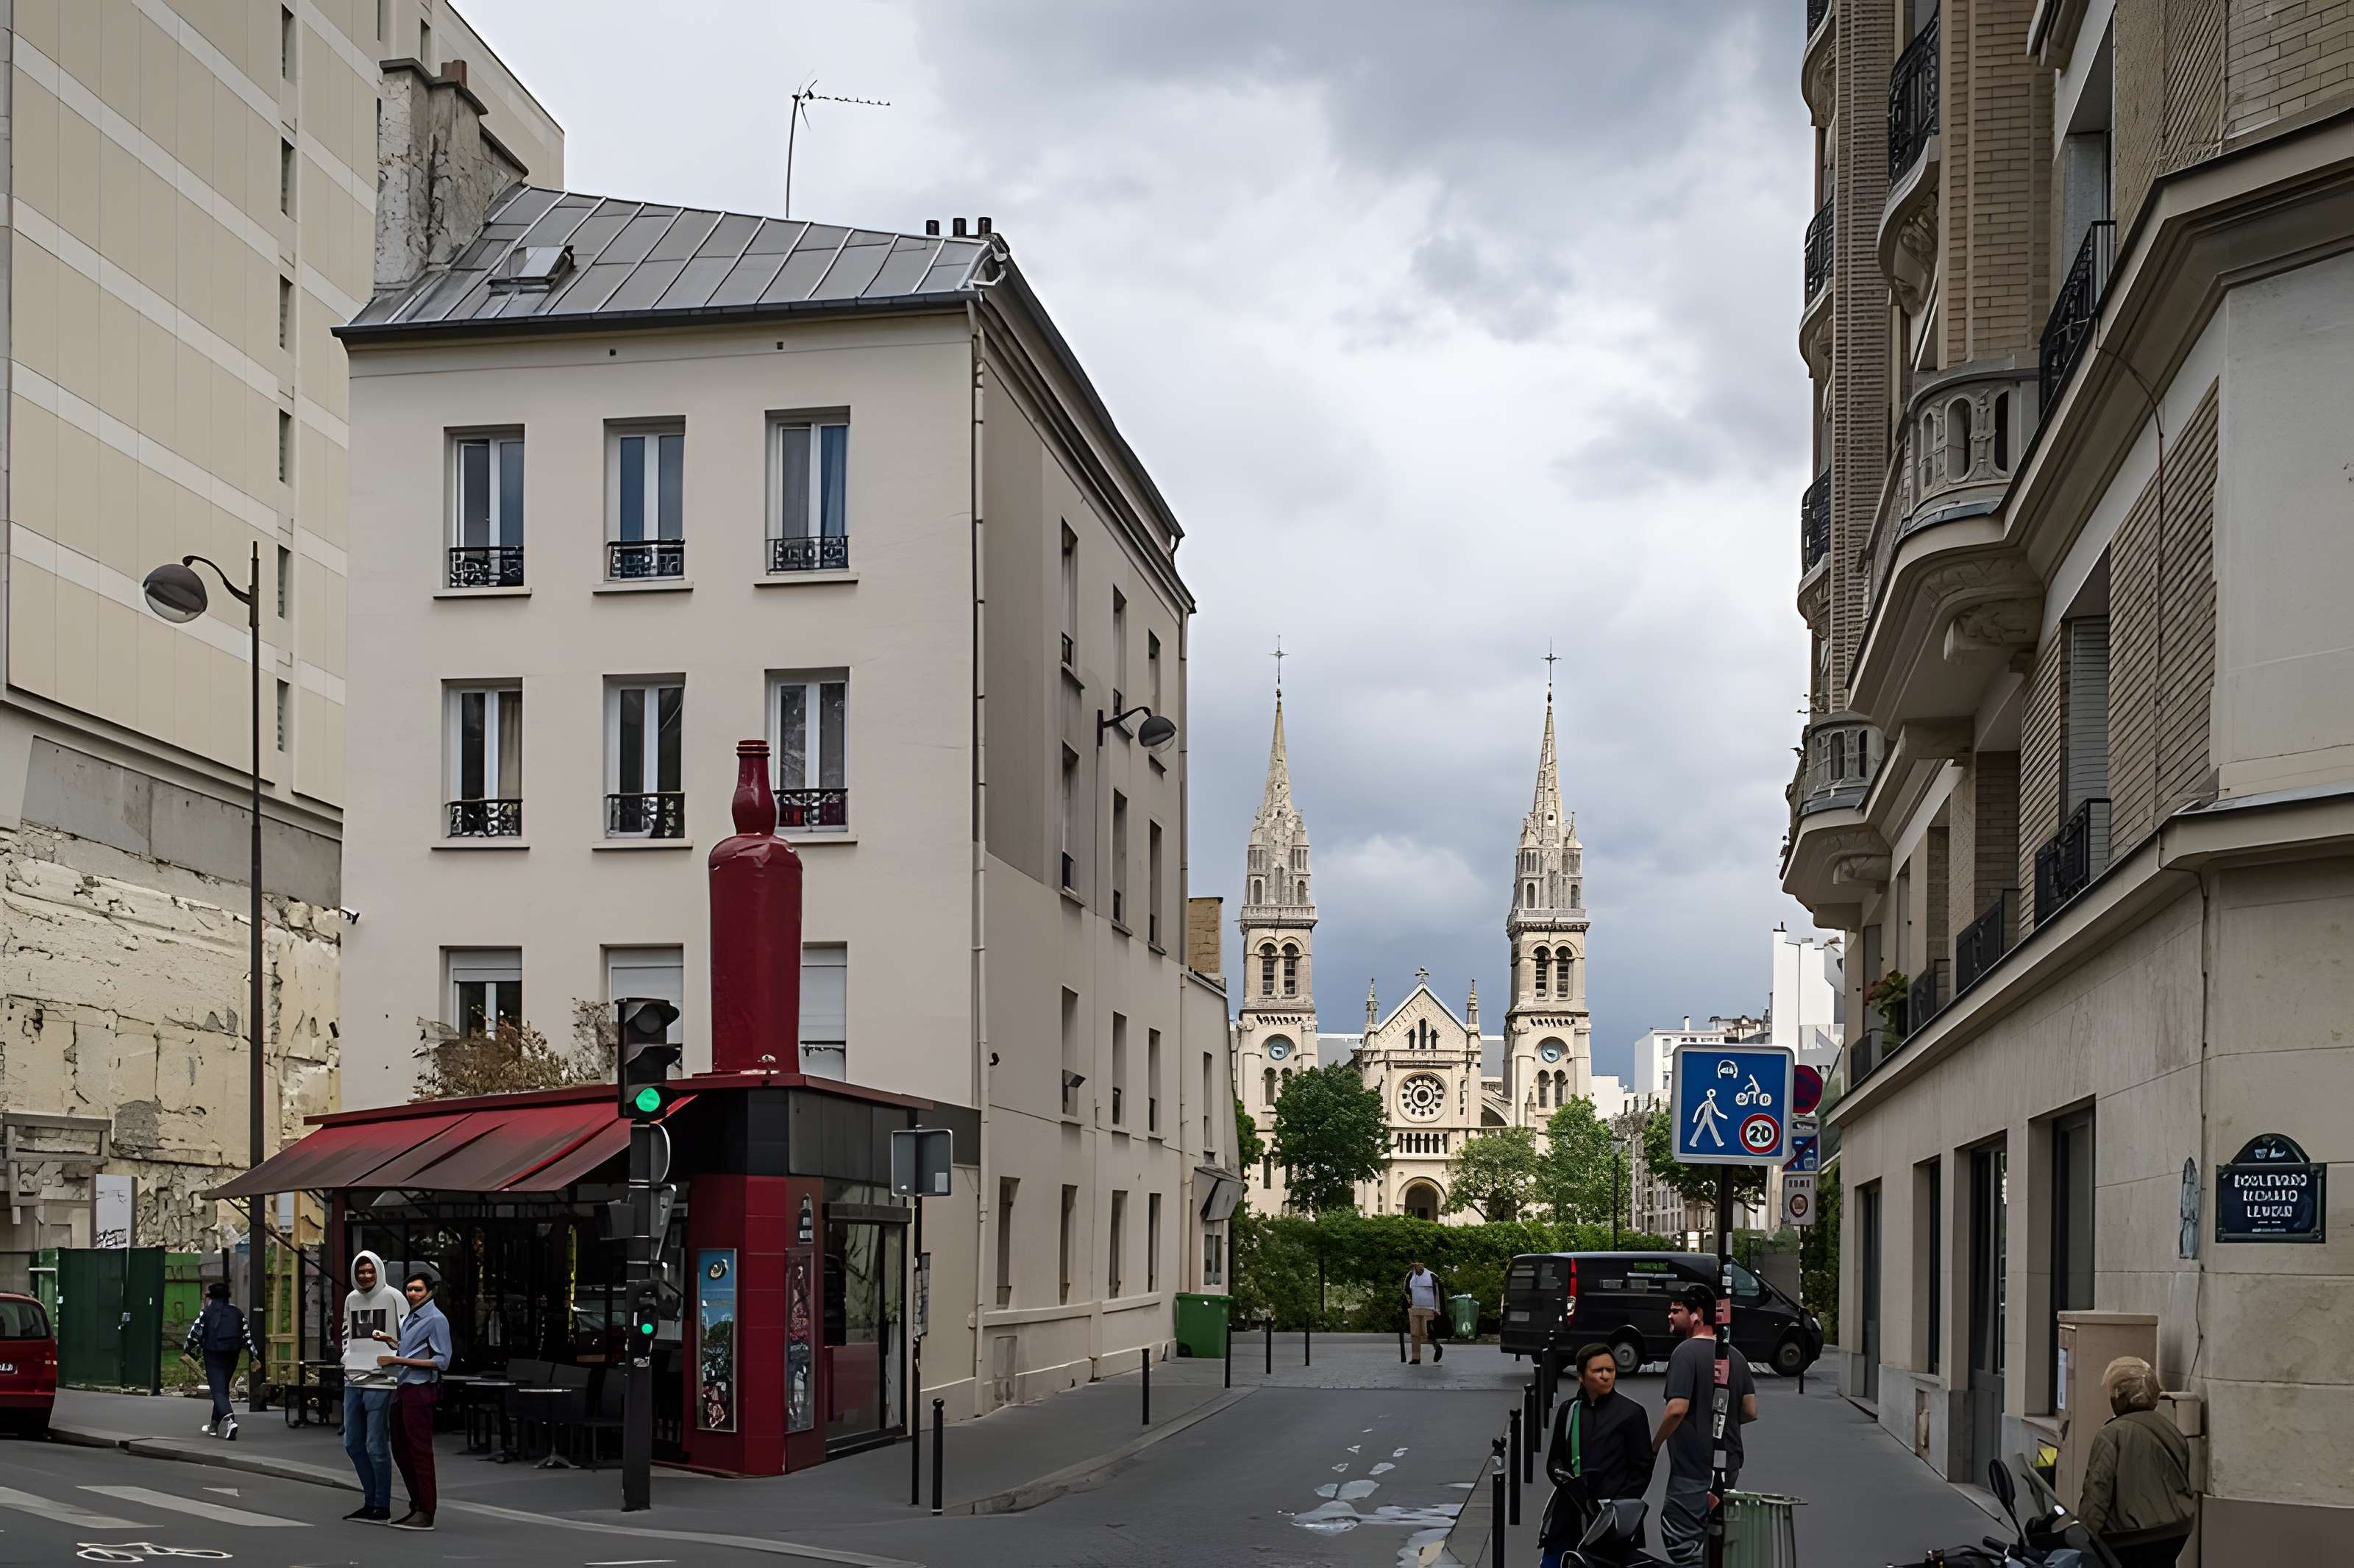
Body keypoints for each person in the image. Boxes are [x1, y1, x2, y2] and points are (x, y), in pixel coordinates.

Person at [1651, 1283, 1757, 1567]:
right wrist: (1720, 1420)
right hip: (1728, 1467)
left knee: (1682, 1542)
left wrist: (1655, 1444)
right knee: (1716, 1541)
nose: (1670, 1317)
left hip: (1692, 1467)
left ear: (1697, 1314)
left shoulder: (1685, 1353)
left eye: (1677, 1310)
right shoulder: (1735, 1356)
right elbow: (1749, 1410)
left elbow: (1677, 1409)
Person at [1540, 1341, 1655, 1568]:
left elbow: (1642, 1469)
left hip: (1611, 1518)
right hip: (1569, 1513)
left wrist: (1615, 1505)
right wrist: (1565, 1481)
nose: (1605, 1376)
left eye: (1610, 1370)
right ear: (1581, 1376)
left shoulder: (1631, 1413)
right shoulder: (1569, 1409)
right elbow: (1555, 1460)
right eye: (1597, 1371)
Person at [2077, 1356, 2194, 1567]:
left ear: (2120, 1396)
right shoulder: (2170, 1429)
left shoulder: (2112, 1433)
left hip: (2131, 1538)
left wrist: (2084, 1539)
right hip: (2175, 1532)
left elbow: (2097, 1490)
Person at [376, 1270, 451, 1531]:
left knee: (419, 1452)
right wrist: (391, 1343)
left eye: (418, 1289)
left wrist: (399, 1361)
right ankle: (416, 1504)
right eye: (409, 1289)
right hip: (404, 1388)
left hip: (420, 1389)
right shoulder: (410, 1318)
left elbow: (442, 1361)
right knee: (400, 1448)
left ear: (430, 1291)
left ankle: (426, 1511)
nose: (412, 1293)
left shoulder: (435, 1319)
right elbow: (412, 1348)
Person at [338, 1251, 408, 1523]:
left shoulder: (393, 1297)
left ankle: (382, 1504)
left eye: (370, 1271)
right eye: (360, 1271)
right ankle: (370, 1501)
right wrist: (347, 1357)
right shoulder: (351, 1299)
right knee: (352, 1444)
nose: (365, 1276)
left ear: (378, 1270)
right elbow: (346, 1332)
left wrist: (395, 1362)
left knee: (375, 1444)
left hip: (382, 1380)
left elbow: (407, 1333)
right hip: (352, 1379)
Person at [181, 1281, 260, 1441]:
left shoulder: (207, 1313)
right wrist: (254, 1355)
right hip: (233, 1353)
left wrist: (188, 1350)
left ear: (211, 1297)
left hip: (213, 1354)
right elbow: (247, 1335)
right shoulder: (237, 1313)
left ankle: (229, 1420)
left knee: (217, 1390)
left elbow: (194, 1334)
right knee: (222, 1387)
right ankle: (214, 1424)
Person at [1402, 1261, 1445, 1364]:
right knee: (1415, 1333)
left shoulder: (1432, 1276)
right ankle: (1416, 1358)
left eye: (1420, 1263)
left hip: (1429, 1308)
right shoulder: (1410, 1276)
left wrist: (1438, 1308)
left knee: (1428, 1332)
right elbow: (1405, 1290)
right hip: (1415, 1307)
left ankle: (1436, 1346)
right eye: (1416, 1264)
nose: (1418, 1265)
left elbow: (1438, 1293)